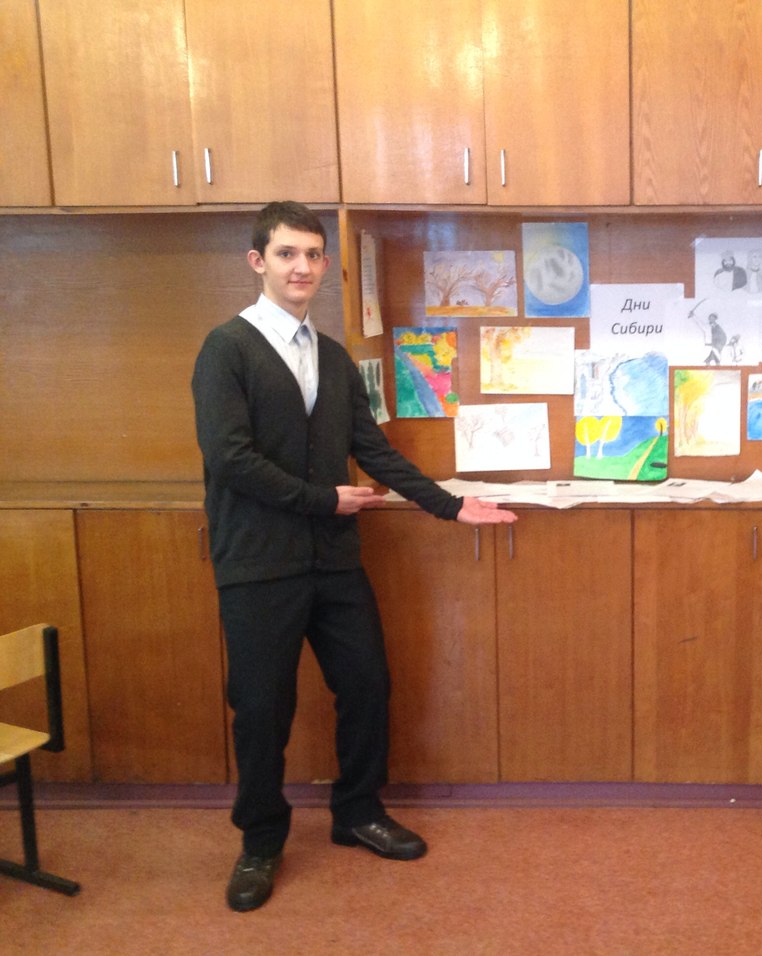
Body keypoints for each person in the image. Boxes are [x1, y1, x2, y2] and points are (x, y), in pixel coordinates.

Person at [192, 201, 517, 913]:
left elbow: (372, 450)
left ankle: (357, 812)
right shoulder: (227, 349)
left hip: (333, 562)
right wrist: (323, 500)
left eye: (312, 255)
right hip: (259, 564)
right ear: (258, 262)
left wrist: (450, 504)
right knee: (262, 709)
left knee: (368, 685)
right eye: (287, 254)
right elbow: (229, 459)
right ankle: (260, 841)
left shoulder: (333, 358)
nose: (302, 267)